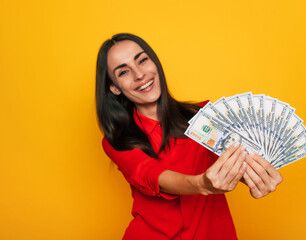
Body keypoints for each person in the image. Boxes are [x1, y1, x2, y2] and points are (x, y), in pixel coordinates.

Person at [96, 33, 283, 239]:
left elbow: (236, 162)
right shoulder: (116, 141)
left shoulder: (204, 115)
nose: (139, 74)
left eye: (142, 60)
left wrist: (258, 178)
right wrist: (201, 183)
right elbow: (153, 176)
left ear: (154, 63)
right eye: (123, 72)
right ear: (114, 87)